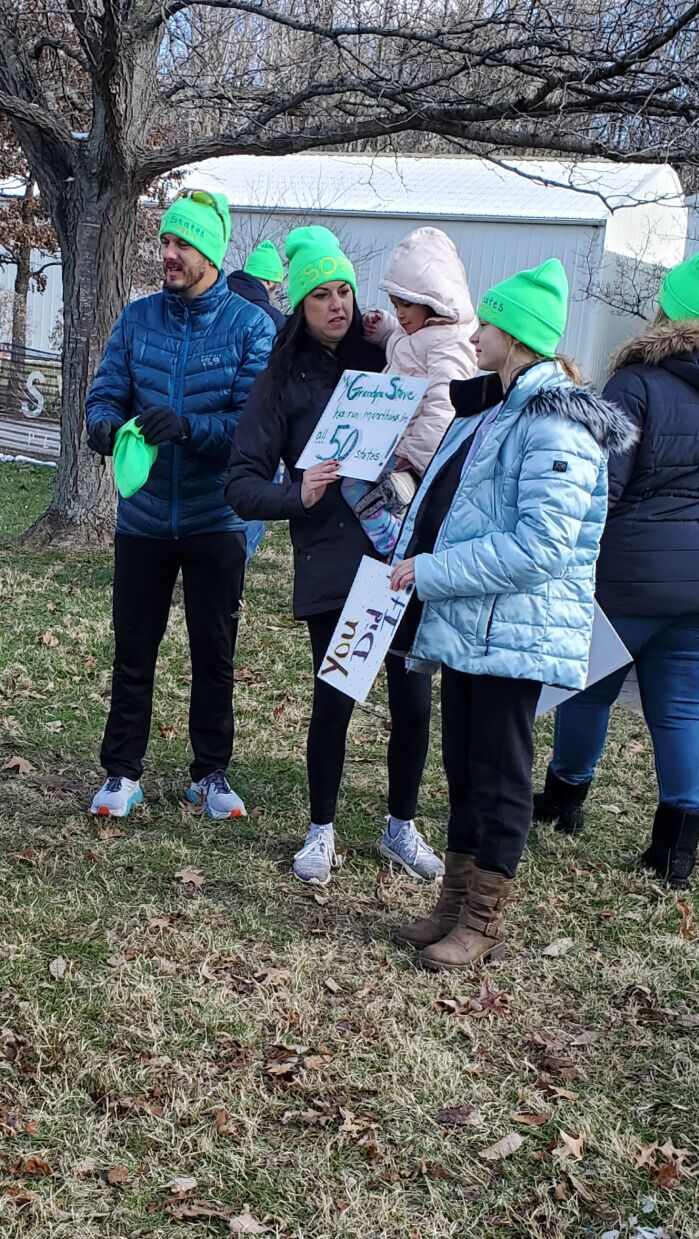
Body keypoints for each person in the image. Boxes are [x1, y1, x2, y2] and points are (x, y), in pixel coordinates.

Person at [388, 259, 635, 970]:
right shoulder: (499, 410)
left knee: (499, 778)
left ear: (519, 337)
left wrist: (431, 571)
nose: (474, 333)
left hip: (512, 633)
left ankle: (484, 920)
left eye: (487, 323)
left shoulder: (555, 425)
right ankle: (452, 908)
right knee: (465, 771)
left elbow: (540, 548)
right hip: (473, 626)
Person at [532, 243, 699, 887]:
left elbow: (603, 486)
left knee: (589, 691)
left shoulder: (636, 383)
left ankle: (565, 800)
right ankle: (674, 850)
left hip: (633, 574)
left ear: (666, 313)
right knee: (685, 712)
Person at [226, 226, 442, 886]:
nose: (337, 304)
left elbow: (446, 375)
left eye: (345, 289)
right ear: (299, 305)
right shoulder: (280, 381)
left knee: (413, 700)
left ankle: (400, 827)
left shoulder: (387, 359)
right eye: (321, 294)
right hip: (333, 558)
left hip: (400, 550)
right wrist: (299, 490)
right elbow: (241, 483)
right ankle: (321, 831)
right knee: (338, 696)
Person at [85, 189, 273, 821]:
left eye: (181, 244)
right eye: (165, 241)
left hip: (215, 517)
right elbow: (107, 390)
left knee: (213, 651)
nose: (168, 253)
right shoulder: (138, 319)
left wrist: (188, 427)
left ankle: (211, 775)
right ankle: (120, 773)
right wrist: (104, 425)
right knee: (133, 647)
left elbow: (252, 427)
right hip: (142, 519)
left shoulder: (250, 327)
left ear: (211, 253)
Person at [362, 225, 478, 480]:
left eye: (406, 305)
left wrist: (415, 455)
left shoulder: (450, 342)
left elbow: (445, 402)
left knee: (361, 494)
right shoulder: (416, 332)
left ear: (433, 303)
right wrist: (382, 327)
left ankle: (392, 524)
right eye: (395, 306)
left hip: (409, 451)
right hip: (390, 439)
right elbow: (404, 348)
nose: (400, 314)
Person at [227, 241, 288, 560]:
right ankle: (236, 561)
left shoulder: (215, 302)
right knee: (255, 492)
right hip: (257, 422)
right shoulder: (273, 319)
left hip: (211, 420)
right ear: (269, 283)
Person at [227, 241, 287, 332]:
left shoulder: (214, 299)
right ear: (269, 282)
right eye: (277, 287)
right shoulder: (273, 319)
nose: (275, 295)